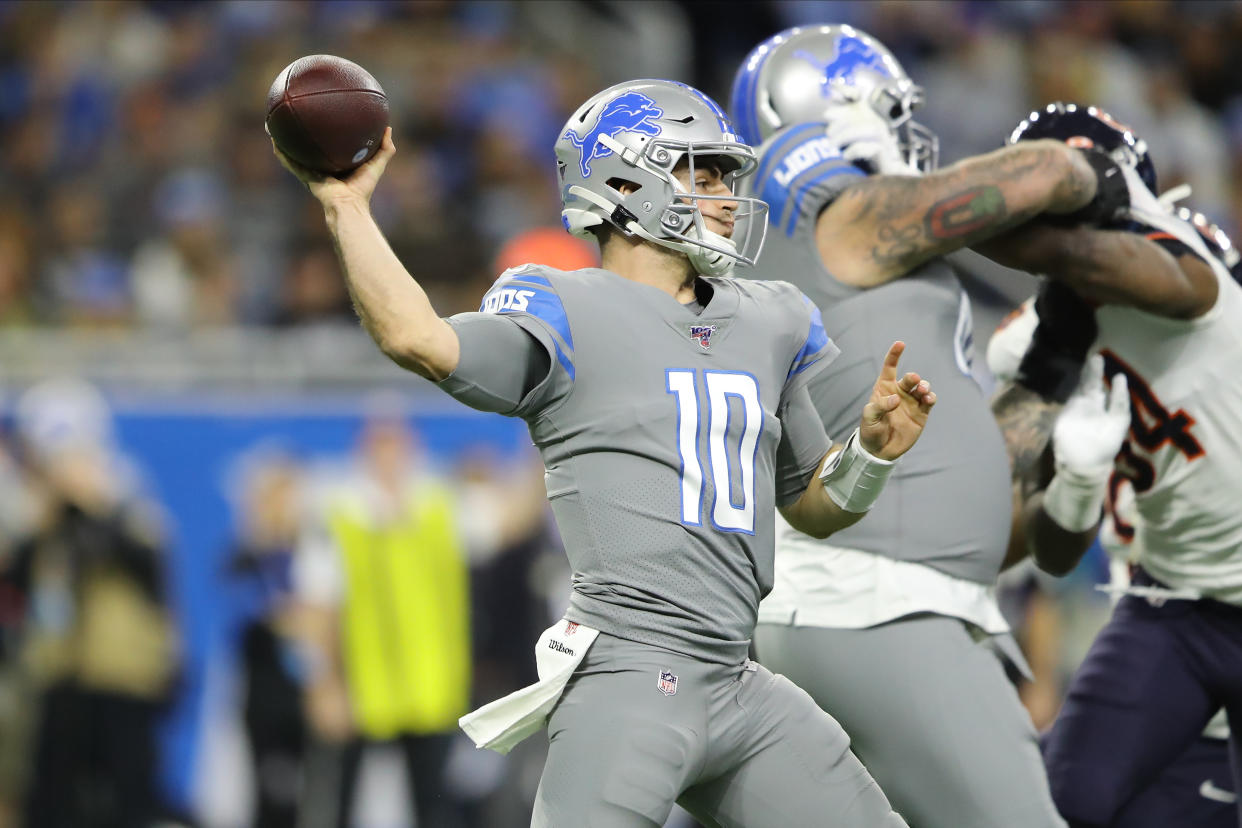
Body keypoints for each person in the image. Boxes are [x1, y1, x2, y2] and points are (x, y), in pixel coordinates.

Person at [274, 77, 936, 826]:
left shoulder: (771, 318)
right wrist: (347, 205)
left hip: (740, 680)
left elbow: (813, 507)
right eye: (703, 172)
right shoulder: (565, 306)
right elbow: (417, 338)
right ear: (626, 180)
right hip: (630, 672)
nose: (724, 194)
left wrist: (871, 454)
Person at [728, 24, 1129, 828]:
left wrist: (1052, 371)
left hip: (893, 607)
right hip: (875, 613)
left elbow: (989, 532)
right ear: (837, 112)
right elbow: (1045, 171)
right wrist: (1106, 170)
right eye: (887, 112)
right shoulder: (830, 220)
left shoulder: (878, 268)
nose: (907, 134)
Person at [982, 124, 1242, 827]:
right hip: (1170, 602)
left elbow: (1081, 256)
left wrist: (927, 207)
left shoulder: (1190, 271)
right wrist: (1077, 480)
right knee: (1059, 806)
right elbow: (1046, 550)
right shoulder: (1036, 339)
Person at [294, 413, 472, 828]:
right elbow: (316, 605)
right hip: (361, 688)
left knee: (434, 807)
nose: (391, 456)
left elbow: (506, 521)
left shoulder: (440, 504)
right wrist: (324, 684)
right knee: (341, 803)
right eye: (381, 444)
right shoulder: (339, 512)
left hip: (432, 692)